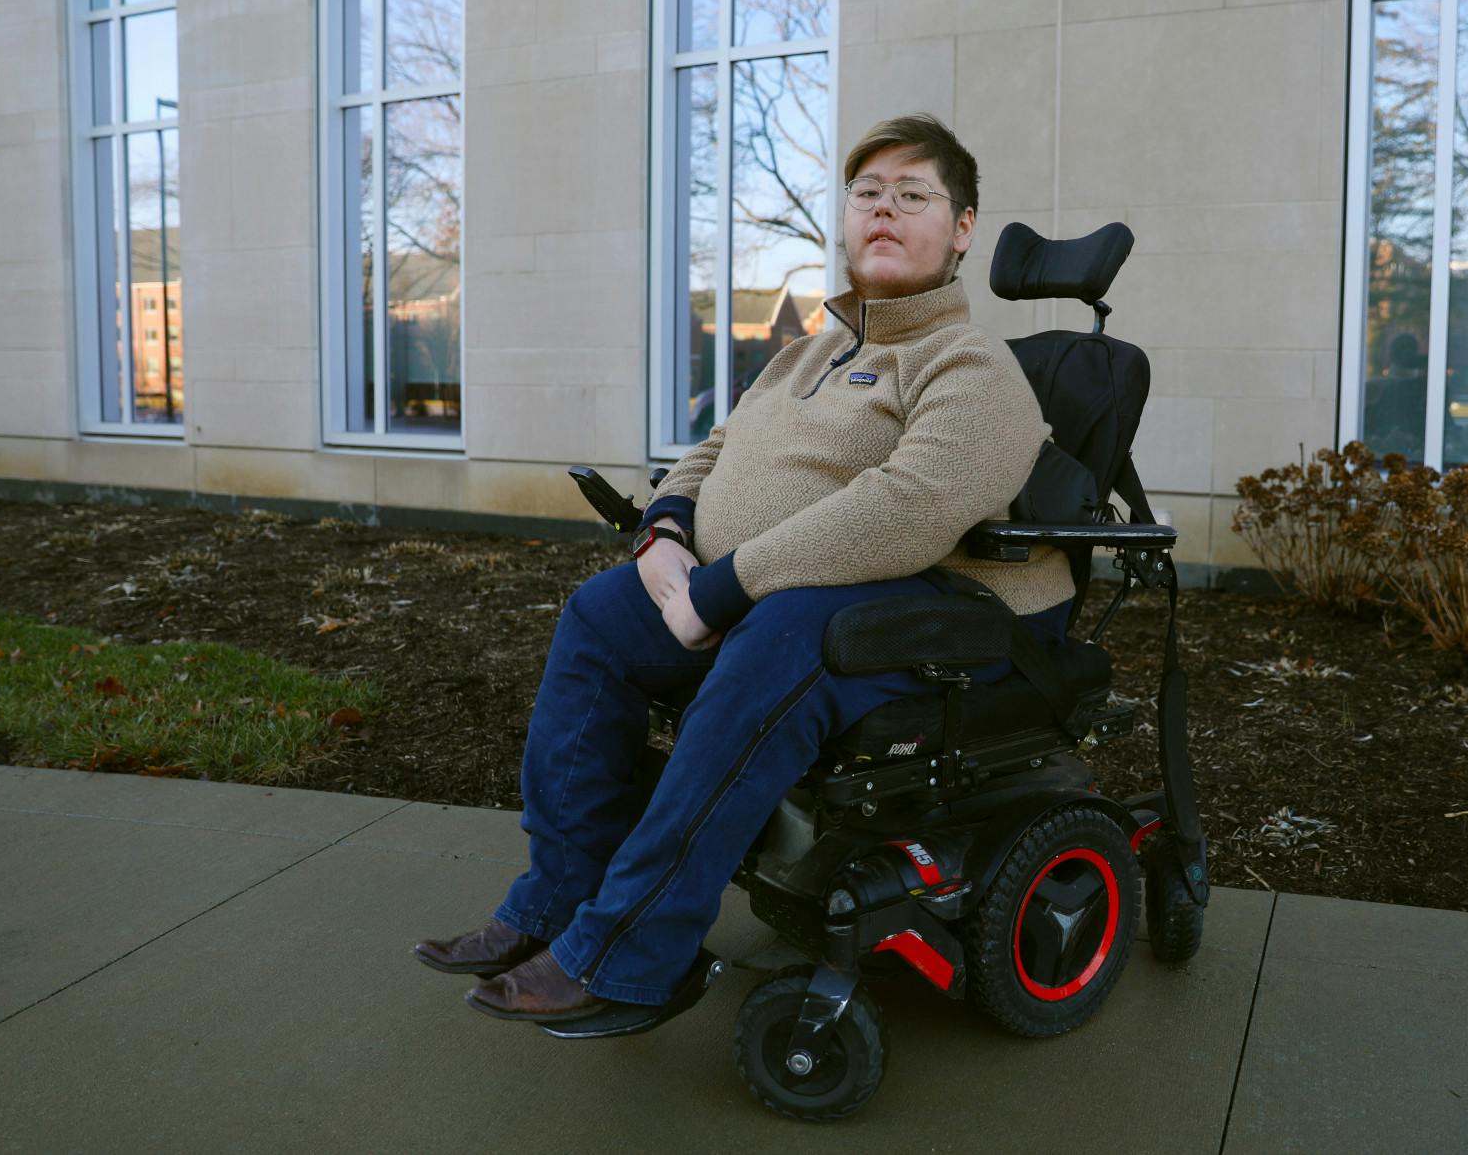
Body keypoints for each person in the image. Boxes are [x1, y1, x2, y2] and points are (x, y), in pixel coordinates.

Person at [413, 115, 1077, 1025]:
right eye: (868, 194)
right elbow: (713, 449)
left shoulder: (971, 364)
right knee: (602, 617)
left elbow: (909, 506)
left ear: (962, 228)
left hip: (955, 620)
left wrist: (723, 589)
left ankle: (632, 953)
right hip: (775, 597)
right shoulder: (808, 352)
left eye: (914, 195)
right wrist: (664, 534)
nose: (885, 210)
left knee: (785, 635)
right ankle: (551, 903)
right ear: (845, 221)